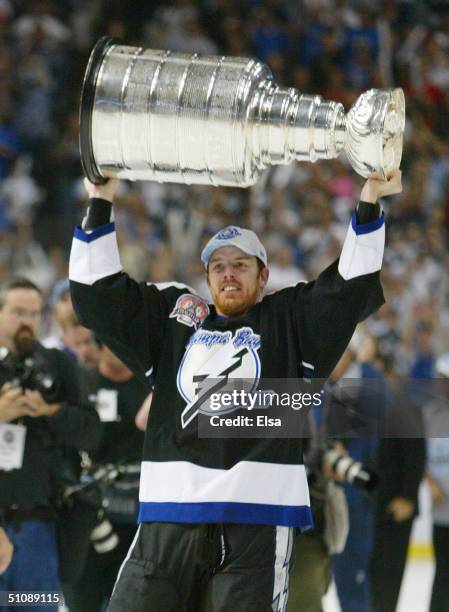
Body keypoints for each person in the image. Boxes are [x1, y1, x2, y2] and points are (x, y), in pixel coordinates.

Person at [69, 170, 402, 611]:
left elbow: (349, 287)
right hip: (169, 519)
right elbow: (96, 296)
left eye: (241, 264)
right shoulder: (174, 326)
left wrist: (369, 199)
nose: (228, 275)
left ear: (263, 278)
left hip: (256, 525)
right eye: (218, 266)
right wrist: (101, 199)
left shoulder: (288, 323)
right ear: (207, 277)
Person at [0, 277, 101, 612]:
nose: (26, 320)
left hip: (40, 525)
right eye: (17, 312)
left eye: (33, 313)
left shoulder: (58, 364)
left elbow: (91, 432)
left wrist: (51, 412)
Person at [62, 339, 148, 612]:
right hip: (90, 510)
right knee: (81, 597)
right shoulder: (81, 385)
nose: (123, 350)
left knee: (130, 597)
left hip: (138, 511)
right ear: (99, 348)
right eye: (114, 344)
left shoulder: (150, 385)